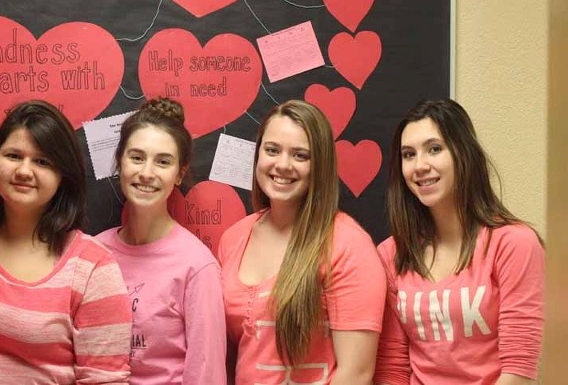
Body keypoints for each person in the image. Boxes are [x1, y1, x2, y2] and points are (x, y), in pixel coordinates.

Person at [0, 100, 131, 384]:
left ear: (63, 176)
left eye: (42, 161)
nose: (24, 171)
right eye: (13, 155)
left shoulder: (93, 267)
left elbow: (106, 380)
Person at [374, 99, 545, 385]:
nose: (420, 165)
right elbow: (393, 366)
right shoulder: (391, 254)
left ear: (463, 153)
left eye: (434, 149)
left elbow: (519, 368)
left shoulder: (514, 243)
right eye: (408, 154)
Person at [217, 100, 385, 385]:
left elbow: (356, 374)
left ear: (320, 165)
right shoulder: (233, 238)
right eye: (272, 150)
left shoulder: (348, 245)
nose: (282, 165)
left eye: (300, 155)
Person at [95, 97, 227, 384]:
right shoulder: (93, 253)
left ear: (179, 173)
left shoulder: (197, 267)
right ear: (120, 162)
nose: (146, 173)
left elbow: (207, 373)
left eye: (163, 162)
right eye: (137, 157)